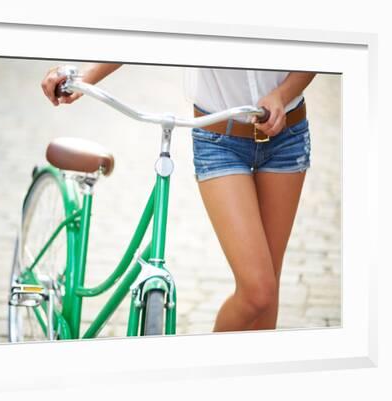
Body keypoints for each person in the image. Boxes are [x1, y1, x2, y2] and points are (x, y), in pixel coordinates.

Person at [41, 63, 316, 332]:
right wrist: (84, 77)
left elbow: (316, 47)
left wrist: (281, 94)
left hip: (286, 134)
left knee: (267, 289)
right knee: (258, 290)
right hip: (219, 139)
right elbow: (144, 28)